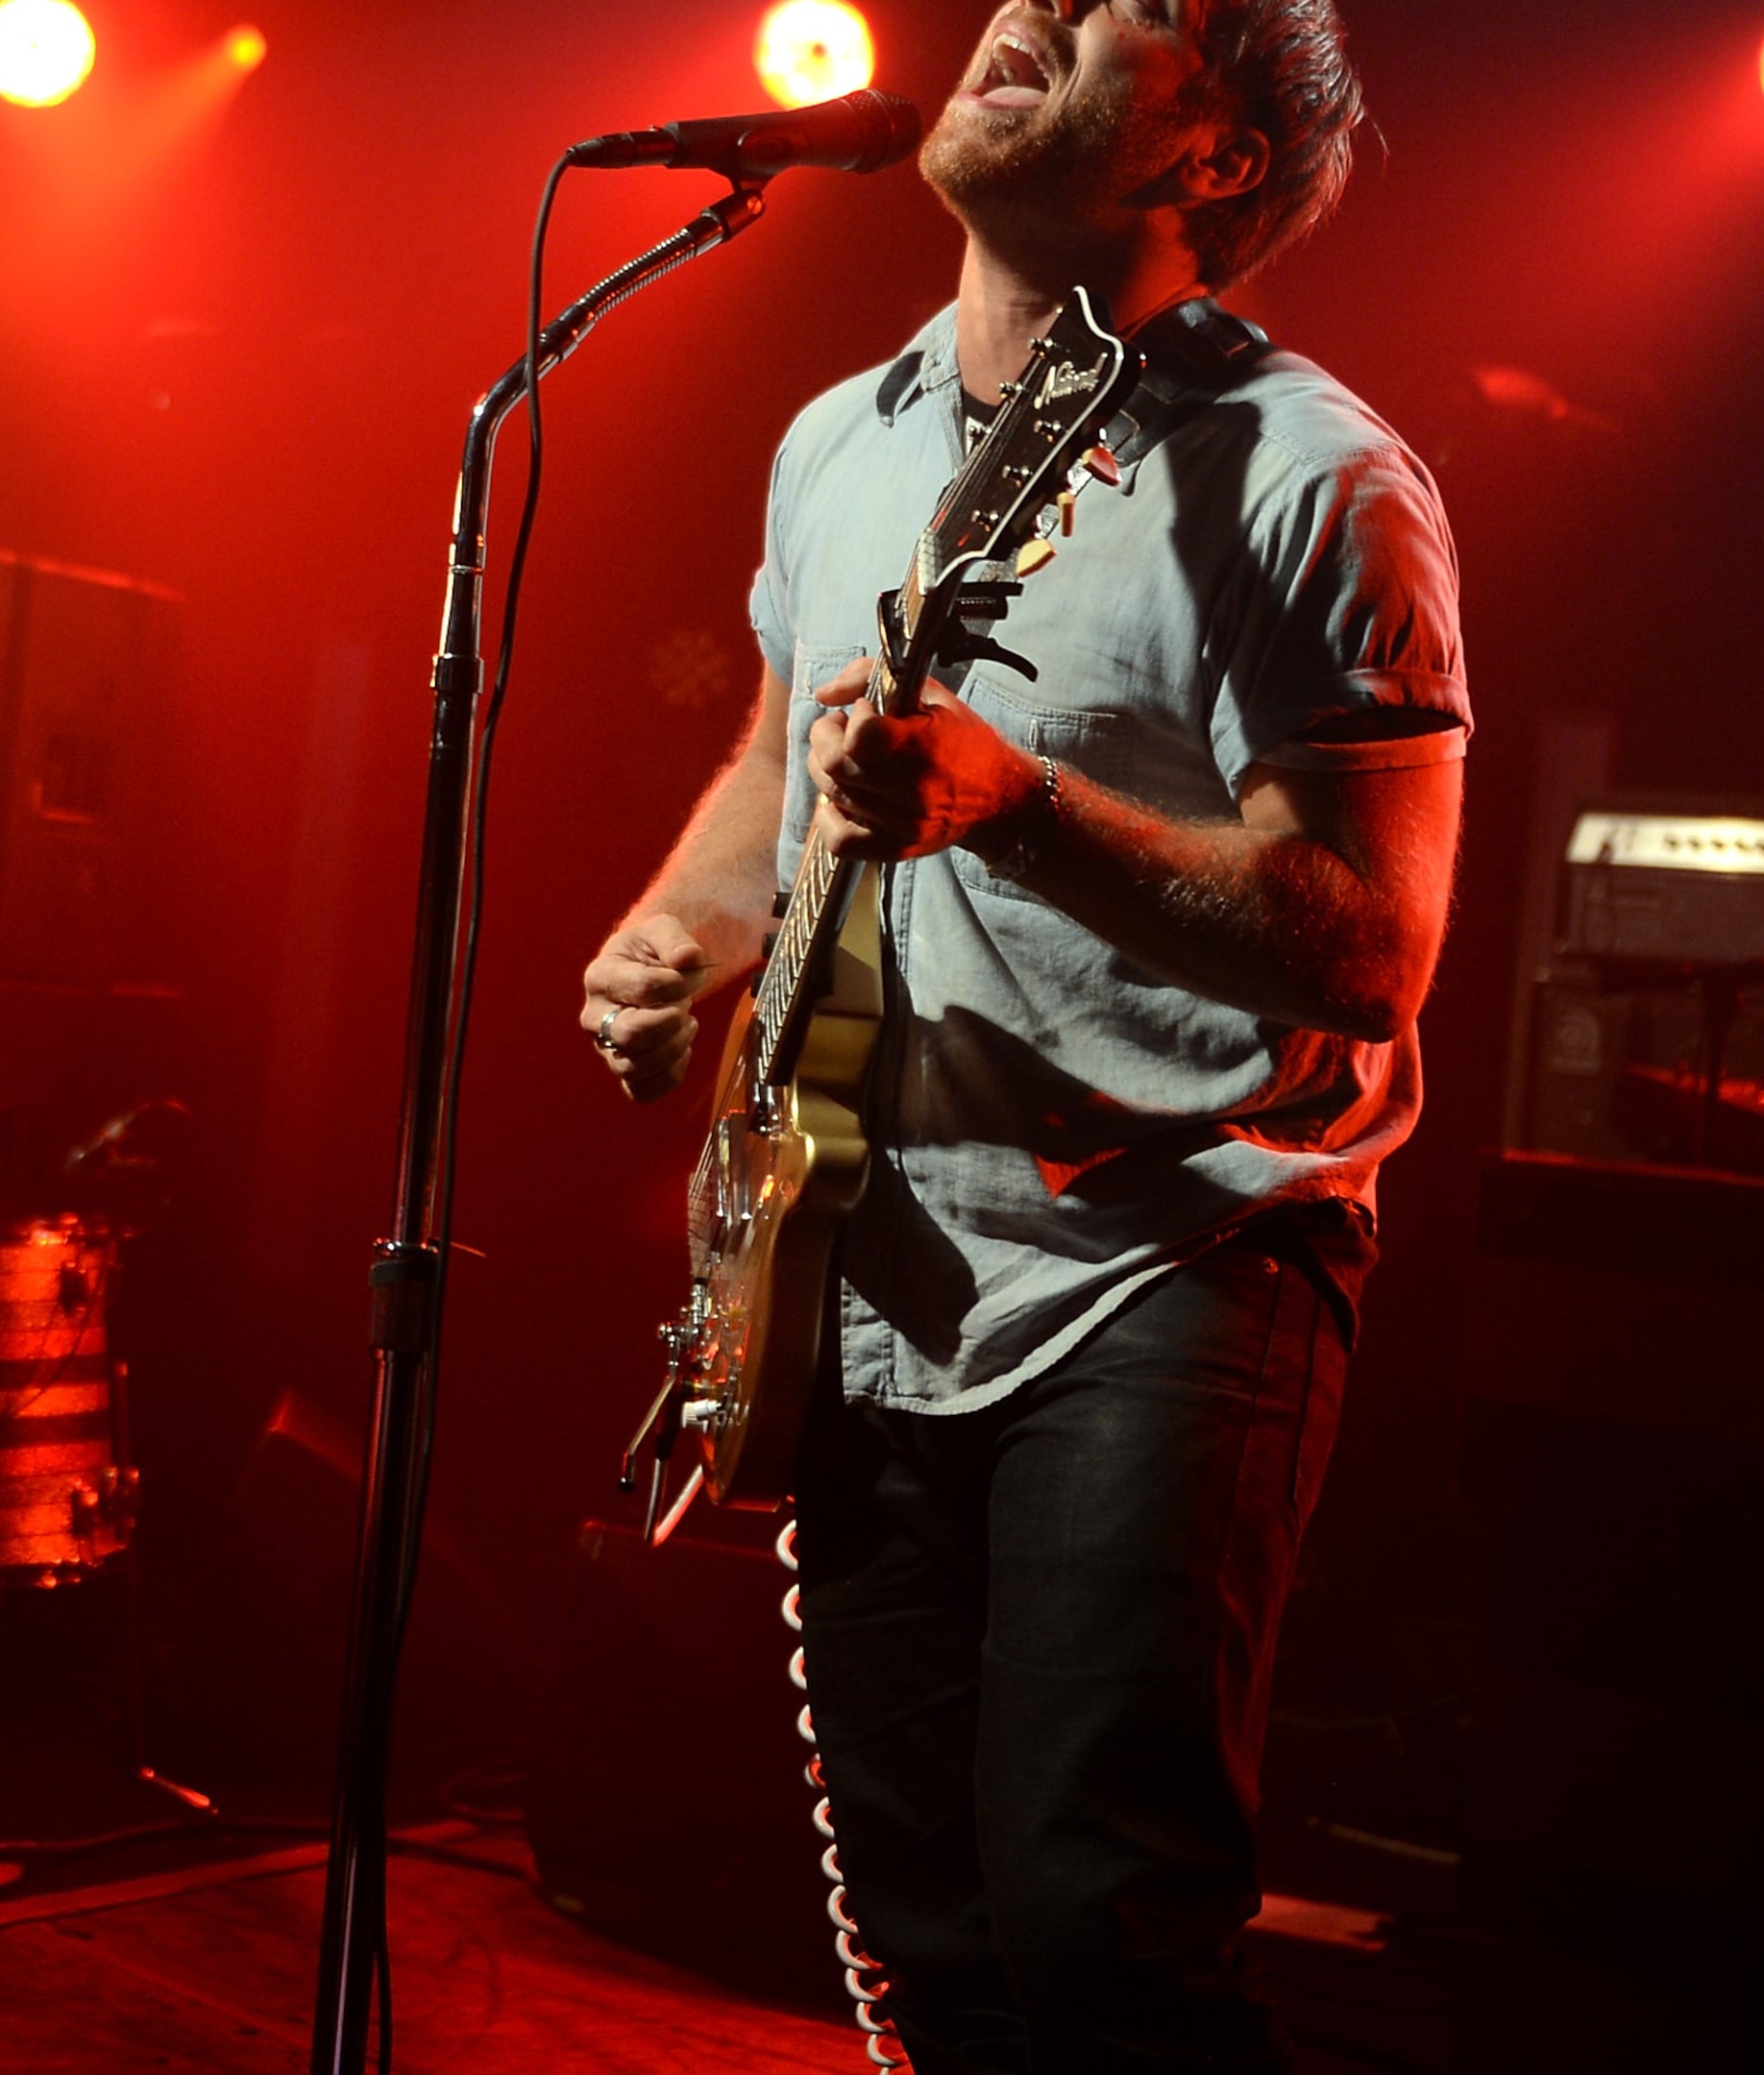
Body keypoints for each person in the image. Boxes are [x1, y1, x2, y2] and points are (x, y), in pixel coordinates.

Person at [578, 3, 1464, 2066]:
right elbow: (788, 761)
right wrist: (677, 932)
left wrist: (1023, 804)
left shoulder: (1314, 478)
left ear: (1219, 155)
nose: (1028, 14)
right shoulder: (840, 438)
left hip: (1173, 1262)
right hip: (868, 1257)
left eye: (1114, 6)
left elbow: (1372, 948)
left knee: (1100, 1926)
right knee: (923, 1926)